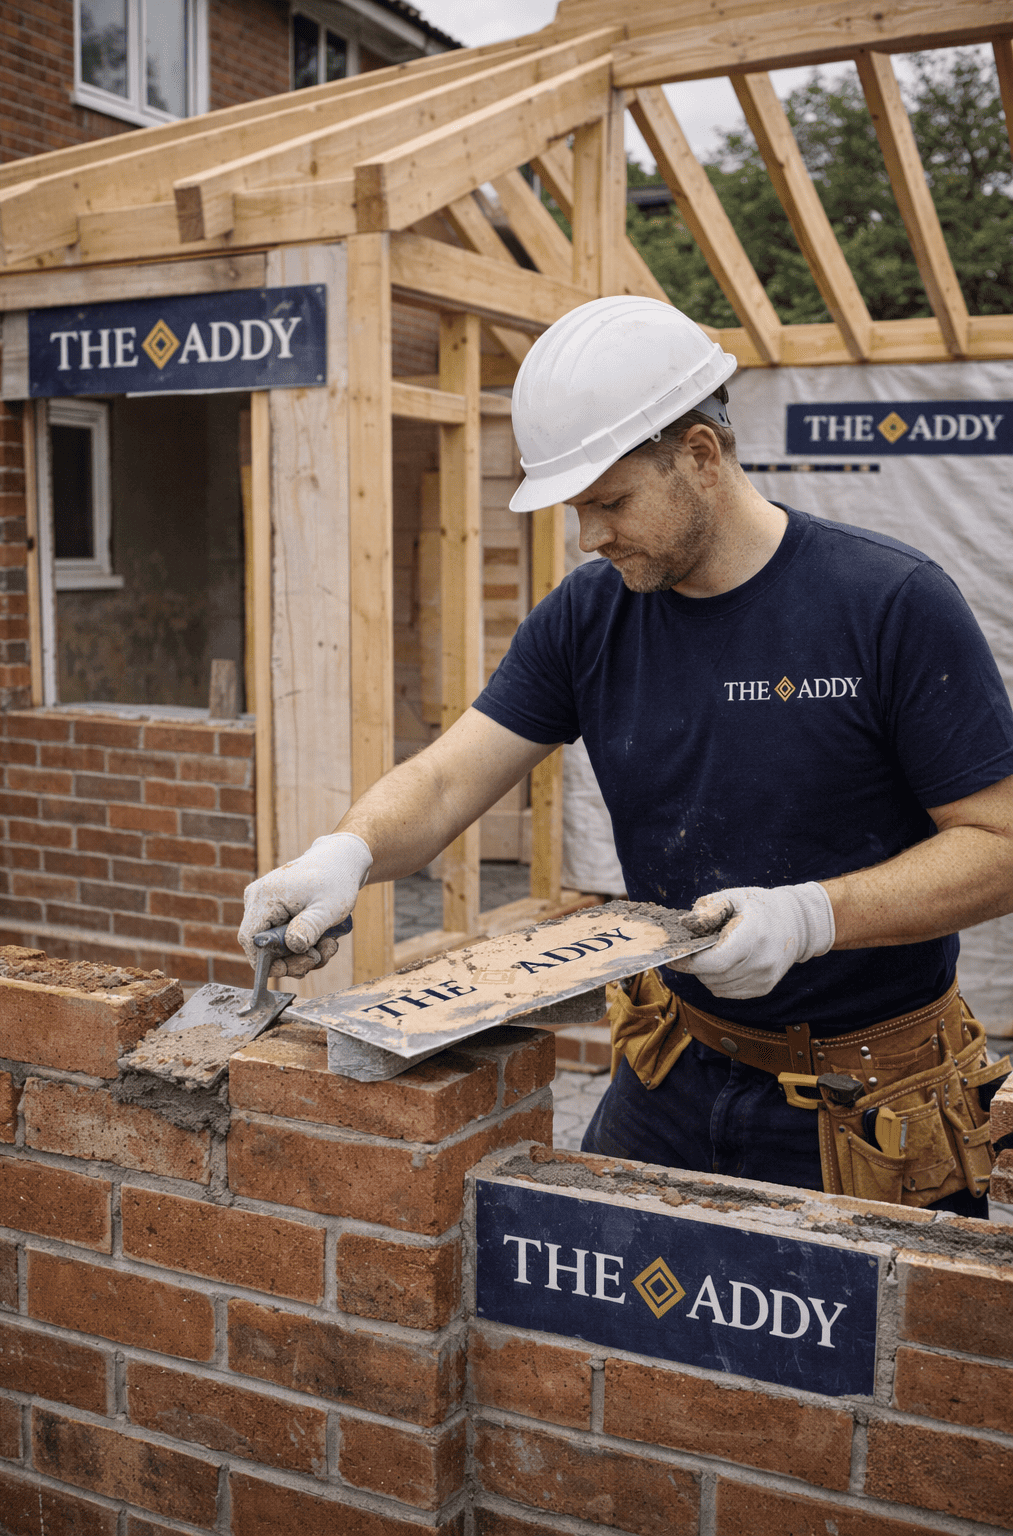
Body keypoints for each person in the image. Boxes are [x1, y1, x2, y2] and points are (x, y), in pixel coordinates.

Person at [239, 296, 1013, 1215]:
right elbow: (448, 779)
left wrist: (814, 917)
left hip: (867, 1100)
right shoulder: (590, 614)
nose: (590, 535)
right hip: (675, 1063)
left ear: (699, 456)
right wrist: (348, 853)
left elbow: (998, 842)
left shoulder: (887, 602)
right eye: (578, 508)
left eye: (609, 502)